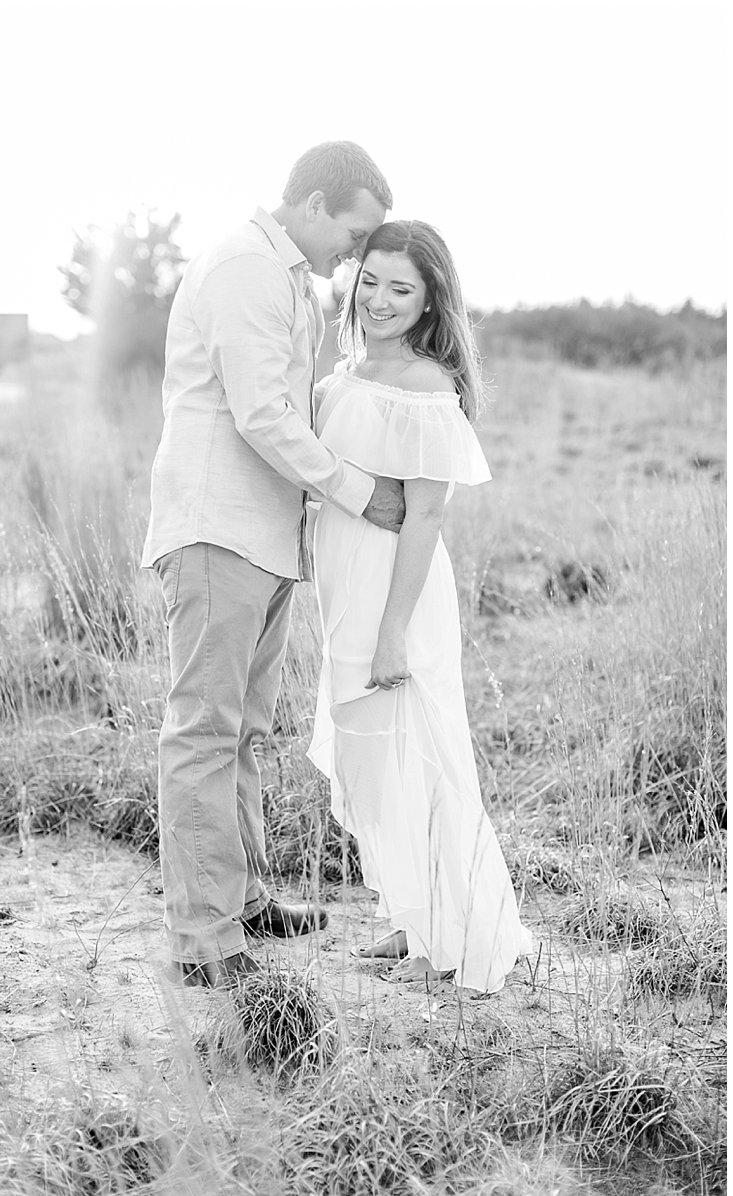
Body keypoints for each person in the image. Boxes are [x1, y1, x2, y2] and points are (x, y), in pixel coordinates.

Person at [143, 142, 406, 989]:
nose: (357, 254)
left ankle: (246, 899)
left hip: (260, 537)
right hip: (216, 529)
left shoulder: (288, 276)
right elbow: (261, 414)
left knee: (243, 732)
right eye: (356, 233)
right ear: (316, 203)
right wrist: (357, 491)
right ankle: (202, 938)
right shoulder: (245, 270)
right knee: (203, 731)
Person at [307, 220, 536, 993]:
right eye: (368, 280)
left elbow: (425, 515)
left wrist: (392, 631)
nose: (377, 298)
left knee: (420, 754)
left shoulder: (427, 387)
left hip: (395, 596)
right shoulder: (345, 370)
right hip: (344, 587)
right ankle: (409, 918)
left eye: (399, 288)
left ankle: (459, 931)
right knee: (372, 761)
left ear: (430, 299)